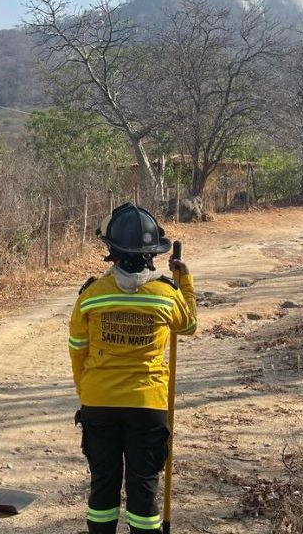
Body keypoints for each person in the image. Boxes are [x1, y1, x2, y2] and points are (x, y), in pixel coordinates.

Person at [70, 203, 198, 534]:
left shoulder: (91, 295)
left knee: (103, 486)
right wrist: (184, 281)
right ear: (153, 251)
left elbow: (77, 351)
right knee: (143, 491)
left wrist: (86, 394)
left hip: (98, 404)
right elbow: (189, 326)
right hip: (148, 405)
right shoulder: (166, 295)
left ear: (111, 250)